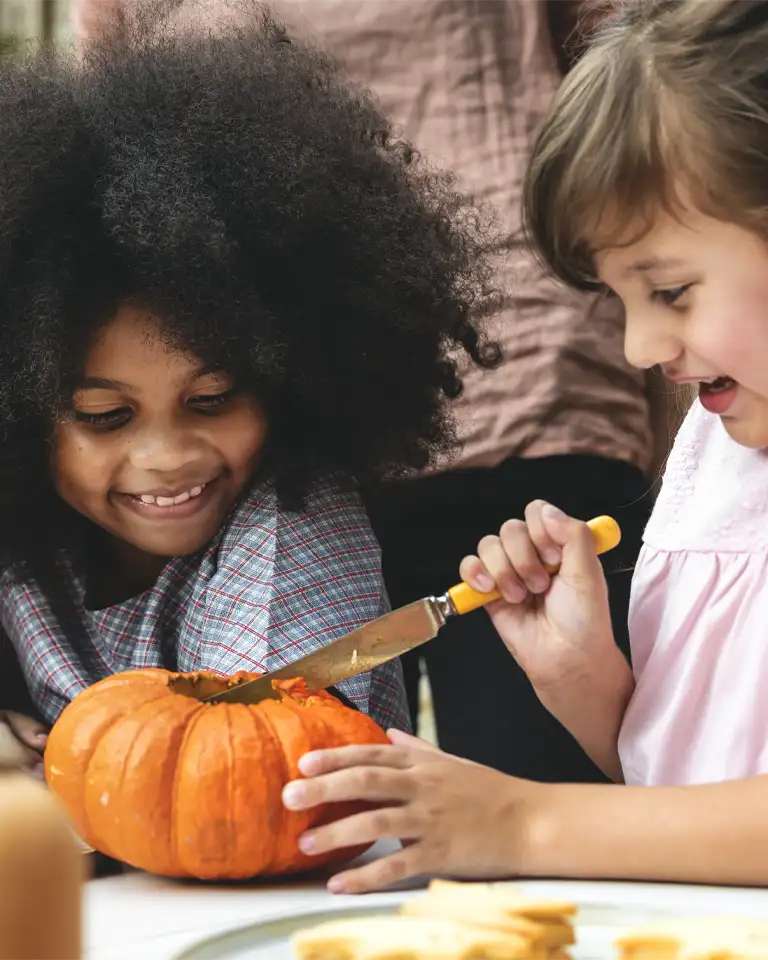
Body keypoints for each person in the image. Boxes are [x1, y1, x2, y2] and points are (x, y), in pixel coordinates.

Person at [73, 0, 656, 784]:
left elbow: (631, 78)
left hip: (527, 378)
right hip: (265, 413)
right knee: (291, 792)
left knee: (543, 795)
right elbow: (104, 131)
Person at [281, 0, 768, 893]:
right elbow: (689, 801)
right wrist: (593, 688)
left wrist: (525, 819)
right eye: (621, 300)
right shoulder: (715, 452)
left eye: (671, 290)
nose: (638, 349)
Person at [0, 0, 500, 766]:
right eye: (104, 415)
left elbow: (249, 771)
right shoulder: (27, 543)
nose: (165, 455)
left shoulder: (296, 530)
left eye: (210, 400)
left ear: (288, 379)